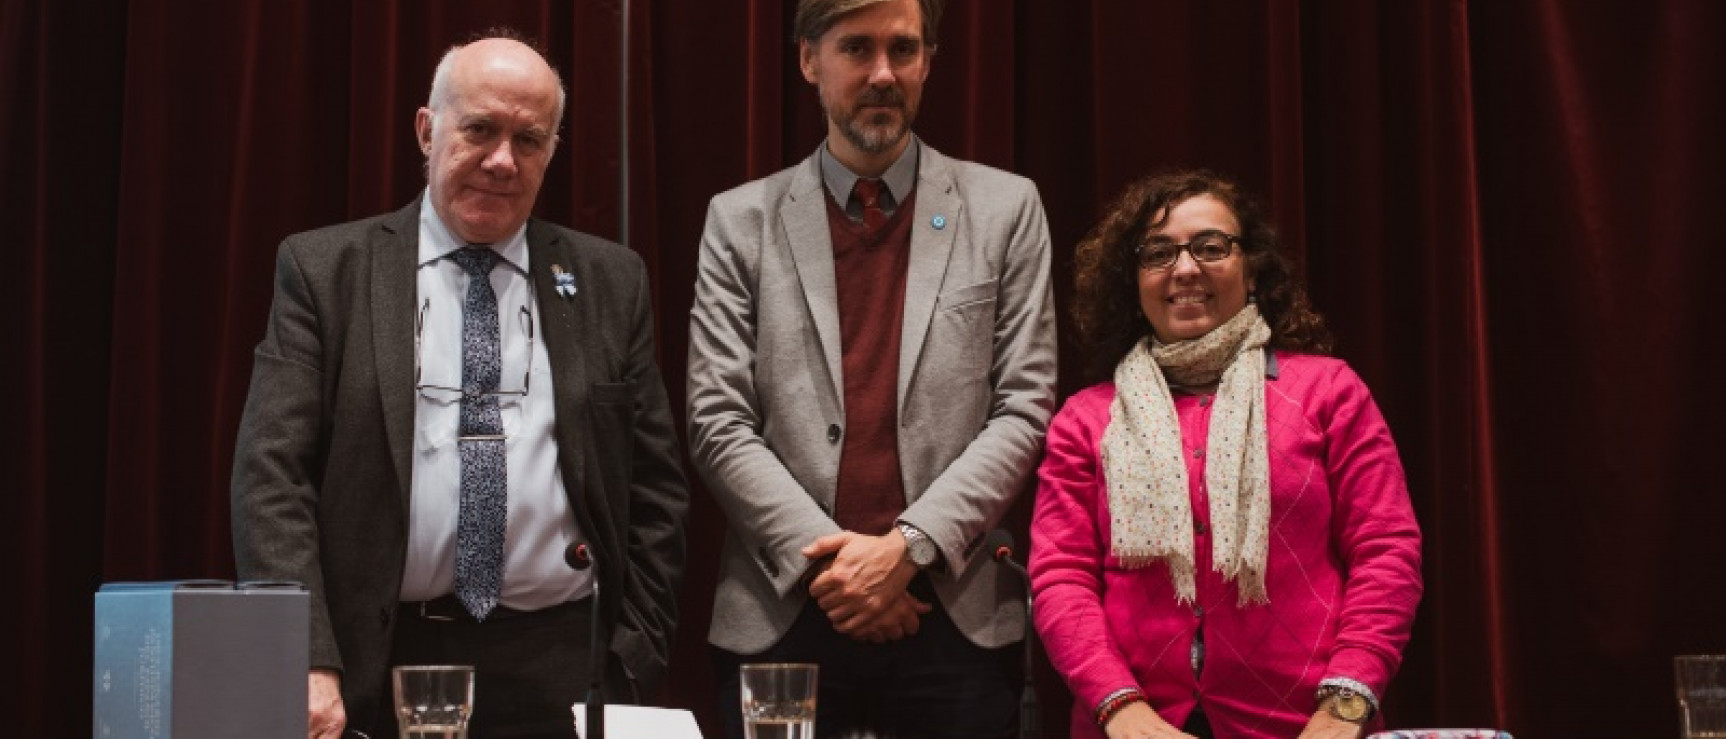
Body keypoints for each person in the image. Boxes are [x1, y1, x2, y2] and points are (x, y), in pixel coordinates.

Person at [230, 33, 688, 739]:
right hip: (381, 661)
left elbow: (656, 488)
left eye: (528, 140)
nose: (502, 160)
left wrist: (633, 656)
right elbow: (271, 480)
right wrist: (307, 657)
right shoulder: (327, 273)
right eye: (479, 129)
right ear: (426, 129)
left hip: (562, 667)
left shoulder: (608, 280)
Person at [685, 0, 1057, 736]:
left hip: (954, 614)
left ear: (929, 60)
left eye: (903, 49)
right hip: (784, 607)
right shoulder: (739, 220)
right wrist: (839, 567)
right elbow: (716, 420)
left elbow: (1024, 406)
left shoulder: (1007, 208)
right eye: (856, 48)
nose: (883, 73)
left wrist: (907, 549)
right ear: (807, 60)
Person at [1030, 170, 1422, 739]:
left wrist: (1344, 707)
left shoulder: (1329, 392)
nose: (1185, 268)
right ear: (1132, 282)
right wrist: (1121, 709)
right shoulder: (1086, 419)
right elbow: (1061, 577)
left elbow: (1386, 553)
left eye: (1211, 247)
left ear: (1252, 268)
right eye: (1158, 252)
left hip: (1309, 725)